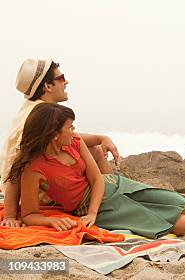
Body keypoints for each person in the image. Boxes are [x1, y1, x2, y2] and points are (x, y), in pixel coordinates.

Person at [4, 103, 185, 237]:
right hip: (94, 207)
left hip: (112, 185)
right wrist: (53, 220)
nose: (73, 130)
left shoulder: (74, 141)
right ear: (53, 134)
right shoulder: (34, 168)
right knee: (182, 225)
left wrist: (91, 213)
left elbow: (97, 179)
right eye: (69, 127)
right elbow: (31, 214)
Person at [0, 59, 121, 227]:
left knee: (92, 148)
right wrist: (11, 215)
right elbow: (18, 164)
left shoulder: (39, 110)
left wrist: (101, 138)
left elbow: (70, 136)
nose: (66, 81)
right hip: (36, 188)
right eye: (61, 77)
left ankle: (109, 191)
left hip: (44, 179)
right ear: (48, 86)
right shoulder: (33, 118)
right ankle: (110, 198)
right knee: (95, 152)